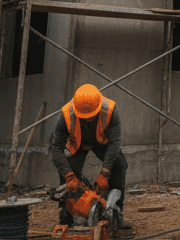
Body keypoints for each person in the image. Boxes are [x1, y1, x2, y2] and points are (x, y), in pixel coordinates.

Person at [51, 83, 126, 221]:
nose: (87, 119)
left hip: (101, 142)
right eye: (84, 116)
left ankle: (116, 214)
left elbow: (115, 143)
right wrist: (69, 176)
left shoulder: (110, 109)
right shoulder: (65, 114)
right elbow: (56, 149)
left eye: (91, 116)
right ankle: (67, 213)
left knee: (120, 164)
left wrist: (104, 173)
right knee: (67, 169)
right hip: (77, 143)